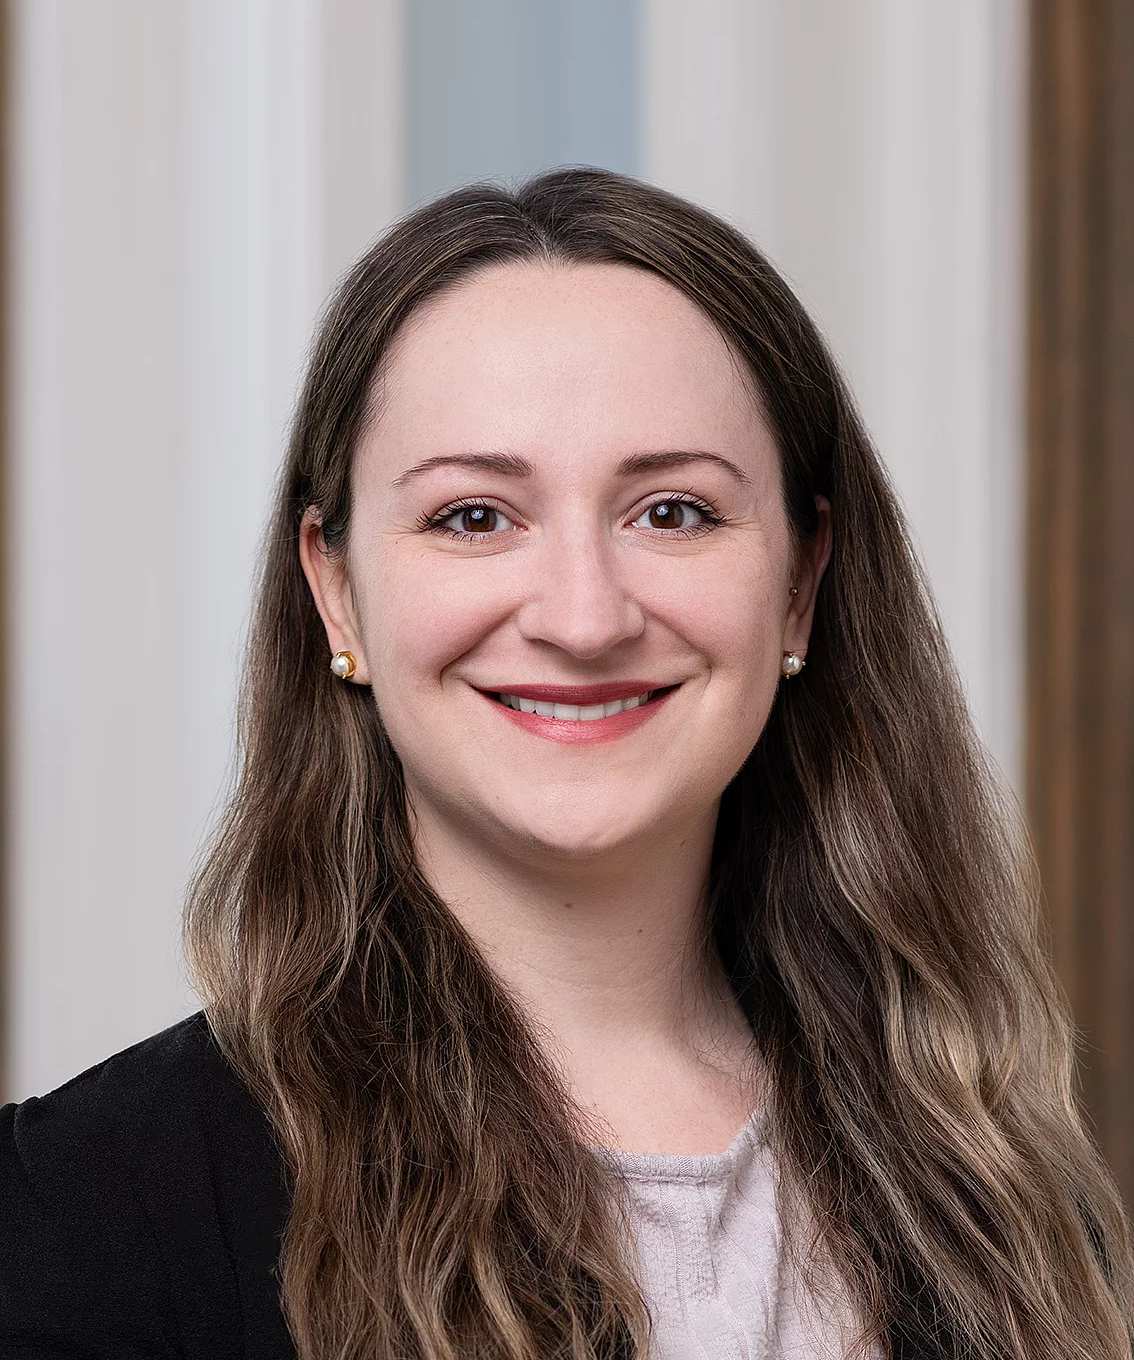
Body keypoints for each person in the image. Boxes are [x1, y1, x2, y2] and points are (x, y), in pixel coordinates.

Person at [1, 169, 1131, 1360]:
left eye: (673, 512)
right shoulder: (74, 1220)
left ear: (801, 581)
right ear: (335, 588)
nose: (584, 618)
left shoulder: (1000, 1202)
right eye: (475, 516)